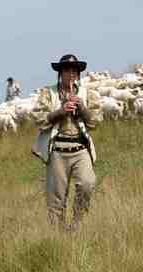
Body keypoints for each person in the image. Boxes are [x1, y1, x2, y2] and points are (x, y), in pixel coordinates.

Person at [31, 54, 103, 230]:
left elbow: (96, 121)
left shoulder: (87, 94)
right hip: (57, 150)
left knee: (87, 184)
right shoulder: (48, 93)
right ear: (60, 73)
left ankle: (78, 224)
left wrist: (82, 109)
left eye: (75, 71)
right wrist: (60, 112)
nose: (71, 74)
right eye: (67, 70)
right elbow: (38, 119)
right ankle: (58, 236)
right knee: (56, 199)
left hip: (80, 148)